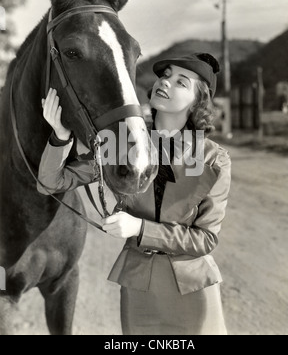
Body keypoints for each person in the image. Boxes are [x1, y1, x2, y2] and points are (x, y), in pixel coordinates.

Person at [38, 53, 231, 335]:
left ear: (197, 102)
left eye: (181, 82)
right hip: (138, 290)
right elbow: (50, 182)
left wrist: (139, 227)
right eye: (165, 75)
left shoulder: (214, 159)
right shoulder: (120, 146)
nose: (166, 82)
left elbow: (206, 238)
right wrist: (59, 136)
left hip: (191, 290)